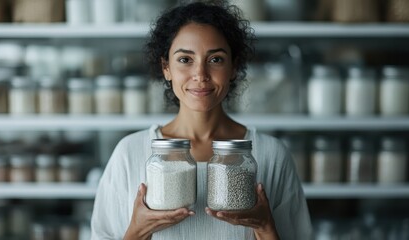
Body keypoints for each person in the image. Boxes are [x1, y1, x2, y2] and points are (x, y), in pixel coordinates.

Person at [91, 1, 312, 239]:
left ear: (234, 67)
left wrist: (265, 227)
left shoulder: (270, 154)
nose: (201, 75)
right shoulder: (130, 153)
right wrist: (136, 231)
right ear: (166, 68)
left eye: (215, 59)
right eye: (185, 60)